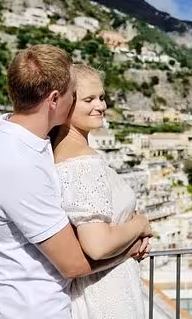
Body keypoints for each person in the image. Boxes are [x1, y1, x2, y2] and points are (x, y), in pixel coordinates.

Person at [0, 45, 148, 319]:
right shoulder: (18, 163)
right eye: (73, 94)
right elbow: (74, 264)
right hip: (34, 311)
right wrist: (134, 238)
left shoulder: (21, 138)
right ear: (55, 99)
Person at [53, 64, 152, 318]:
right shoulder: (83, 162)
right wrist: (140, 225)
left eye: (102, 97)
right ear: (65, 105)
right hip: (108, 292)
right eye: (89, 99)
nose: (101, 105)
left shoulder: (62, 153)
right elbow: (97, 245)